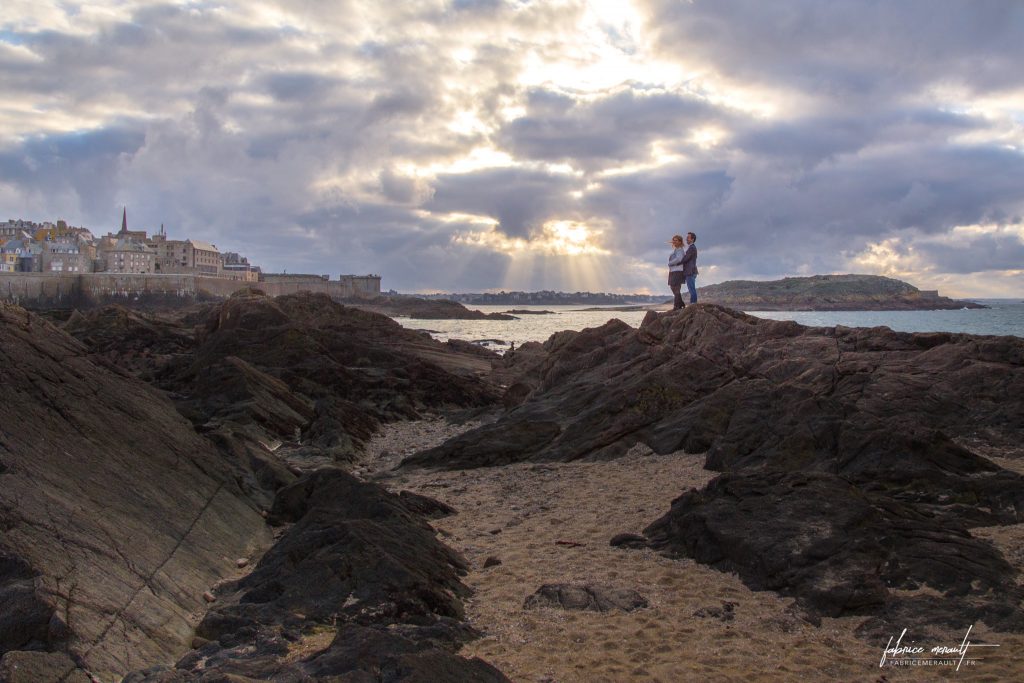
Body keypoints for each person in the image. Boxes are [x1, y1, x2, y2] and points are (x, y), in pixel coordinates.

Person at [667, 234, 686, 310]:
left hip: (677, 271)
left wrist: (670, 263)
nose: (674, 242)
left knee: (676, 288)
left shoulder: (680, 250)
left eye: (676, 240)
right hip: (673, 271)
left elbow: (679, 259)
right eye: (673, 240)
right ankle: (680, 304)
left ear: (680, 242)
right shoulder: (676, 250)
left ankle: (677, 306)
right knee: (673, 287)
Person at [682, 231, 699, 304]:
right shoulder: (691, 247)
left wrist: (677, 262)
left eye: (688, 238)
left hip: (690, 271)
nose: (686, 239)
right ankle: (693, 304)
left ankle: (693, 304)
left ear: (692, 239)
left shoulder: (692, 248)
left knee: (691, 289)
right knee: (691, 288)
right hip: (691, 271)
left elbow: (686, 259)